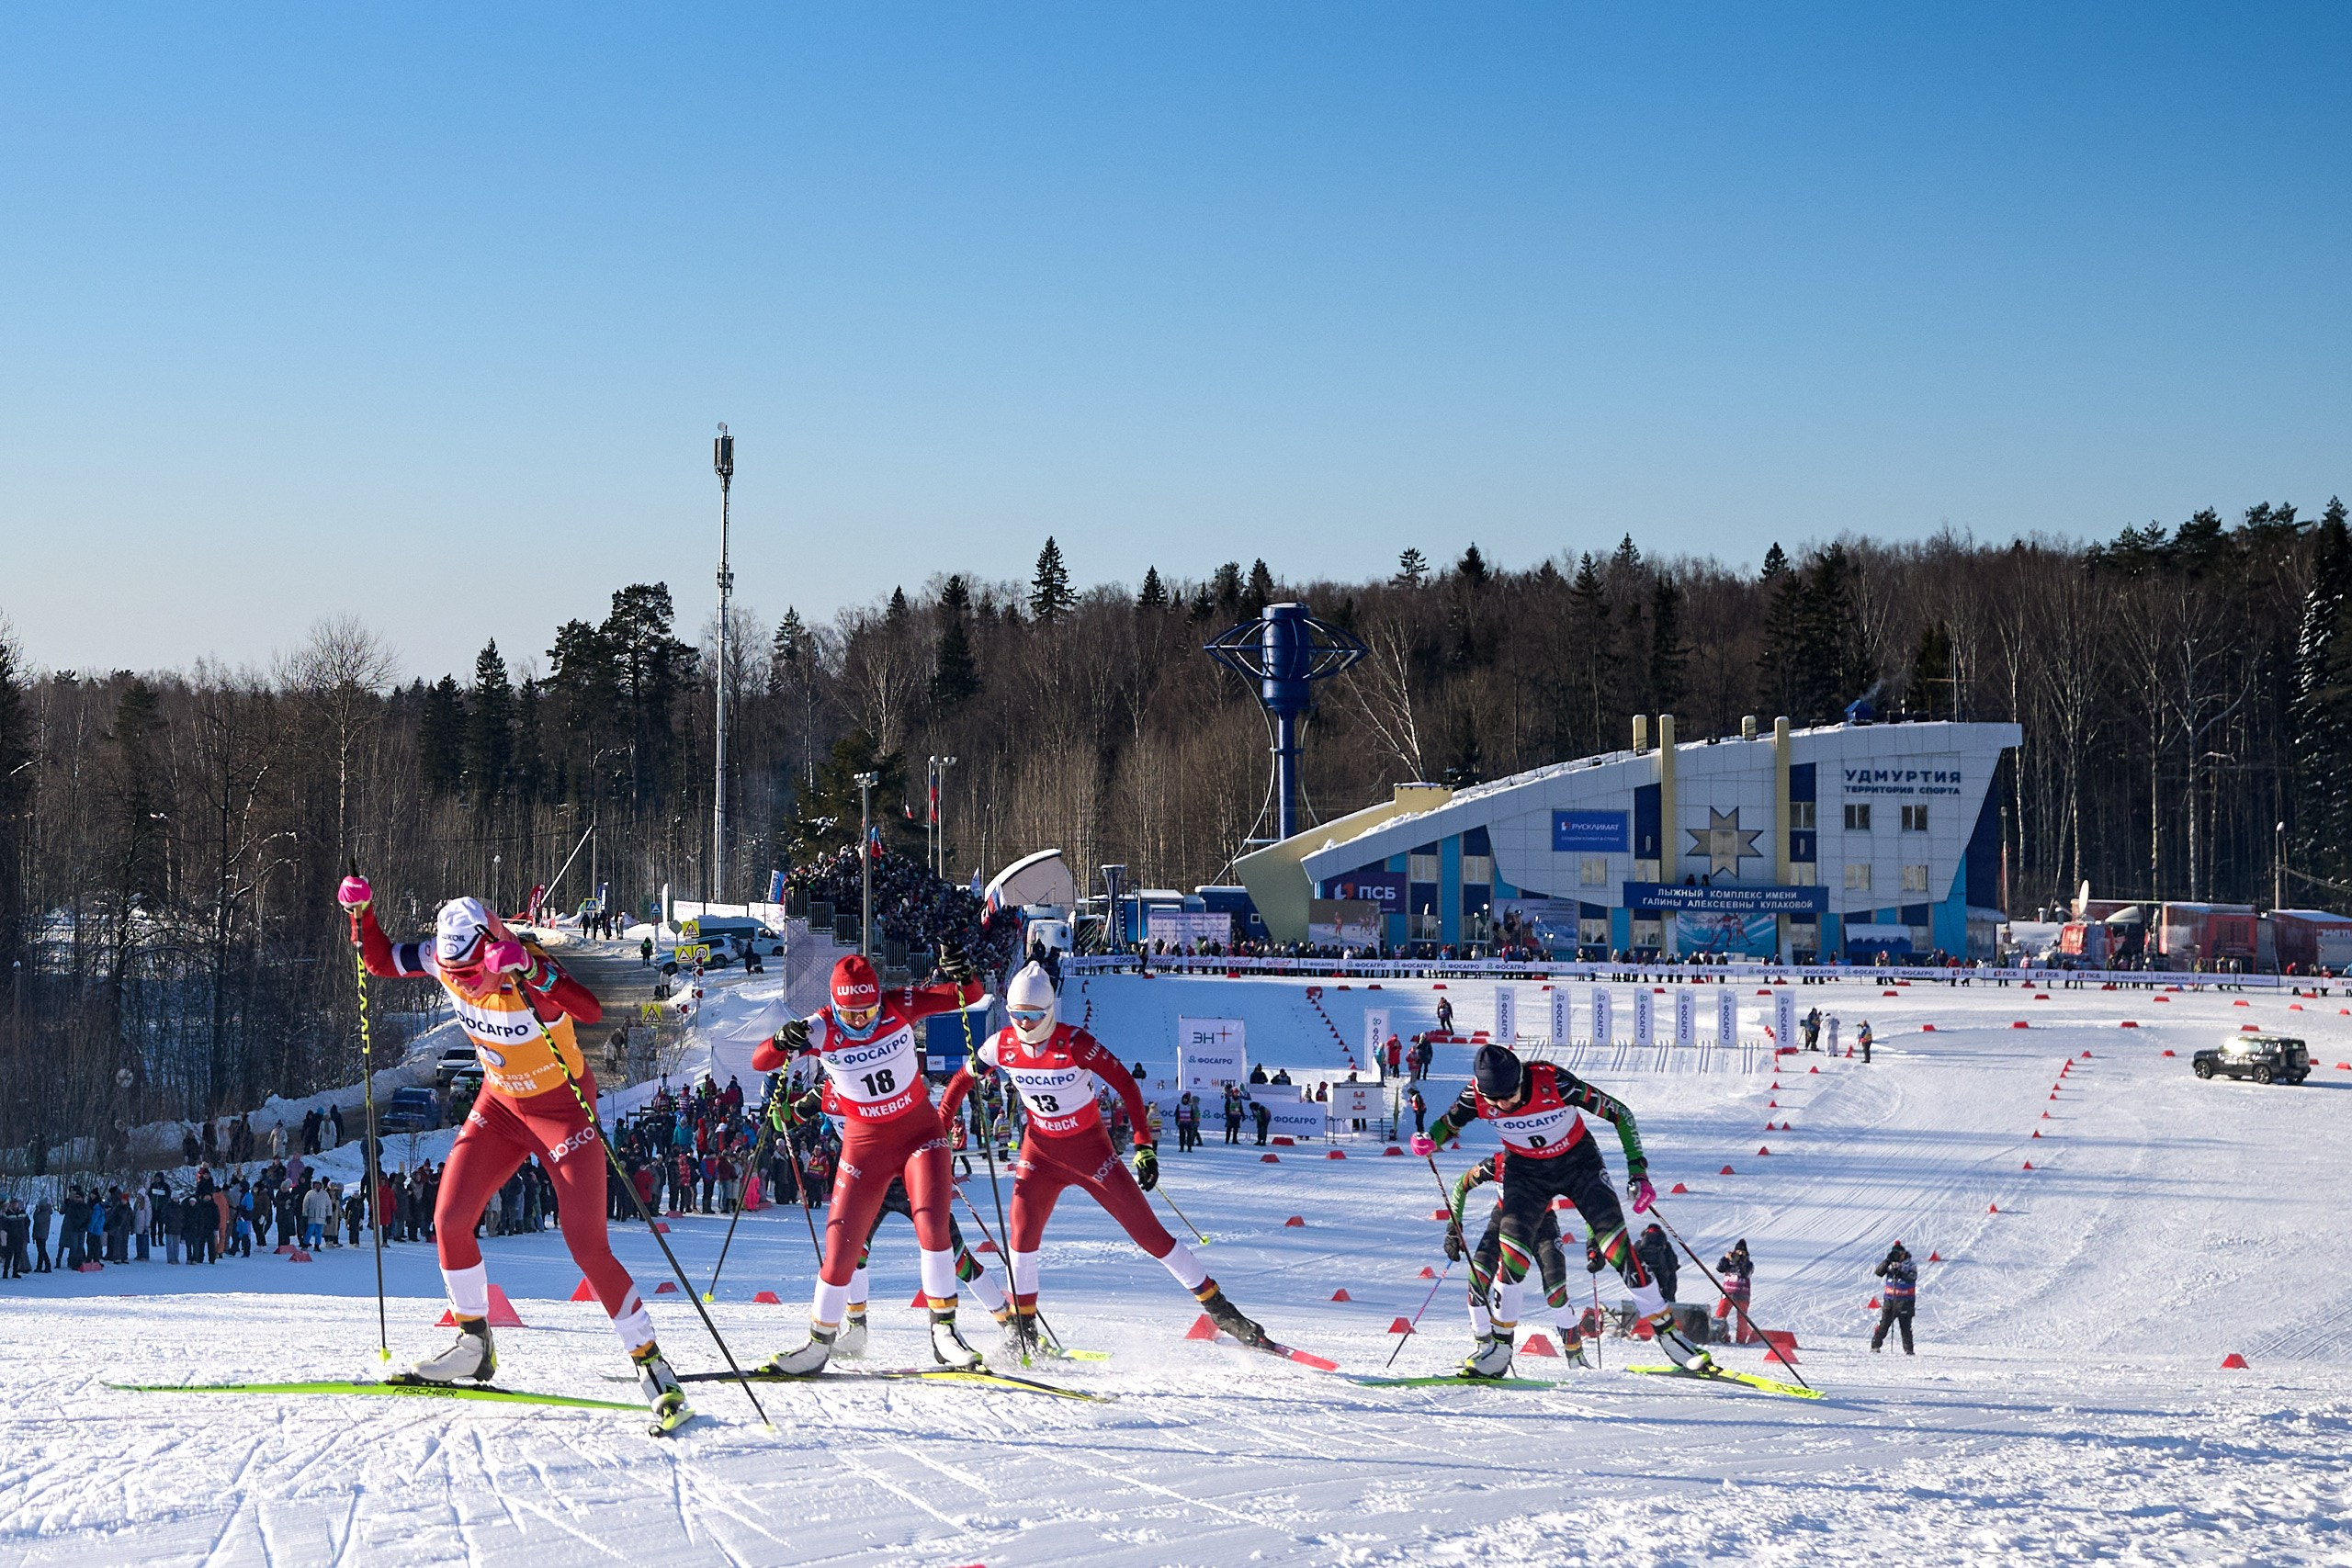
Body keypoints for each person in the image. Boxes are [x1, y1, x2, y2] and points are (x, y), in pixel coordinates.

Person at [343, 878, 688, 1429]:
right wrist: (362, 914)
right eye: (454, 977)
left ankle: (652, 1366)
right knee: (449, 1220)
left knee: (587, 1246)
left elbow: (590, 1009)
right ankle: (473, 1341)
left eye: (471, 974)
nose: (466, 986)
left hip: (563, 1112)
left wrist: (531, 971)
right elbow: (382, 960)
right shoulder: (445, 958)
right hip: (501, 1106)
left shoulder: (522, 967)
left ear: (489, 945)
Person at [938, 962, 1270, 1353]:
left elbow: (1126, 1085)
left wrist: (1144, 1145)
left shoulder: (1075, 1043)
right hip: (1040, 1153)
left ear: (1049, 1013)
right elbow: (960, 1081)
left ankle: (1222, 1310)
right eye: (1017, 1016)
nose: (1025, 1025)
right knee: (1021, 1236)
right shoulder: (1001, 1045)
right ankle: (1023, 1330)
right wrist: (939, 1130)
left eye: (1034, 1016)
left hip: (1090, 1151)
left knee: (1149, 1235)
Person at [742, 946, 989, 1375]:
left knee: (934, 1226)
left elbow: (967, 995)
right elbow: (761, 1060)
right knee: (840, 1245)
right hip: (865, 1145)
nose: (860, 1022)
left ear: (879, 998)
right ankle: (819, 1344)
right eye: (850, 1014)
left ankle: (944, 1333)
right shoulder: (819, 1027)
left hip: (918, 1135)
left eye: (868, 1011)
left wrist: (964, 973)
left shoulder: (900, 1005)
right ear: (836, 1005)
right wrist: (782, 1040)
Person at [1416, 1043, 1708, 1379]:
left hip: (1578, 1165)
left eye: (1509, 1096)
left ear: (1521, 1078)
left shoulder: (1553, 1081)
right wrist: (1429, 1139)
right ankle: (1499, 1348)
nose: (1503, 1105)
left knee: (1618, 1249)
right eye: (1495, 1100)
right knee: (1512, 1259)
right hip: (1525, 1173)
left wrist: (1637, 1172)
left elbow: (1620, 1114)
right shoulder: (1476, 1095)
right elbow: (1447, 1126)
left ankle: (1671, 1337)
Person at [1449, 1154, 1592, 1367]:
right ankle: (1486, 1349)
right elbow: (1461, 1185)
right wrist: (1454, 1228)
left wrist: (1593, 1240)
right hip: (1503, 1222)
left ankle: (1576, 1355)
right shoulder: (1496, 1164)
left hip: (1542, 1226)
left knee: (1556, 1292)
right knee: (1477, 1278)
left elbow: (1586, 1199)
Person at [1871, 1241, 1917, 1354]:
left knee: (1905, 1328)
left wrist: (1900, 1272)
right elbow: (1878, 1272)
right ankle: (1875, 1346)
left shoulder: (1910, 1264)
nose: (1898, 1256)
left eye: (1899, 1254)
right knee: (1884, 1325)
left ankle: (1908, 1350)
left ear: (1904, 1253)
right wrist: (1887, 1261)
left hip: (1906, 1301)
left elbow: (1912, 1277)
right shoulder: (1890, 1264)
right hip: (1890, 1300)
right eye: (1895, 1254)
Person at [1717, 1239, 1757, 1343]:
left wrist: (1740, 1261)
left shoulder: (1749, 1264)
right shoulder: (1729, 1262)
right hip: (1727, 1293)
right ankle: (1720, 1336)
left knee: (1742, 1319)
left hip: (1742, 1293)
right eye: (1738, 1251)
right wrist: (1725, 1259)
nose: (1739, 1254)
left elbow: (1745, 1273)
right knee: (1720, 1316)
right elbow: (1720, 1268)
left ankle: (1741, 1340)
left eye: (1742, 1252)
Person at [1635, 1223, 1678, 1303]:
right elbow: (1672, 1263)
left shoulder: (1639, 1245)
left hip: (1643, 1280)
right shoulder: (1666, 1246)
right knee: (1667, 1299)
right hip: (1663, 1280)